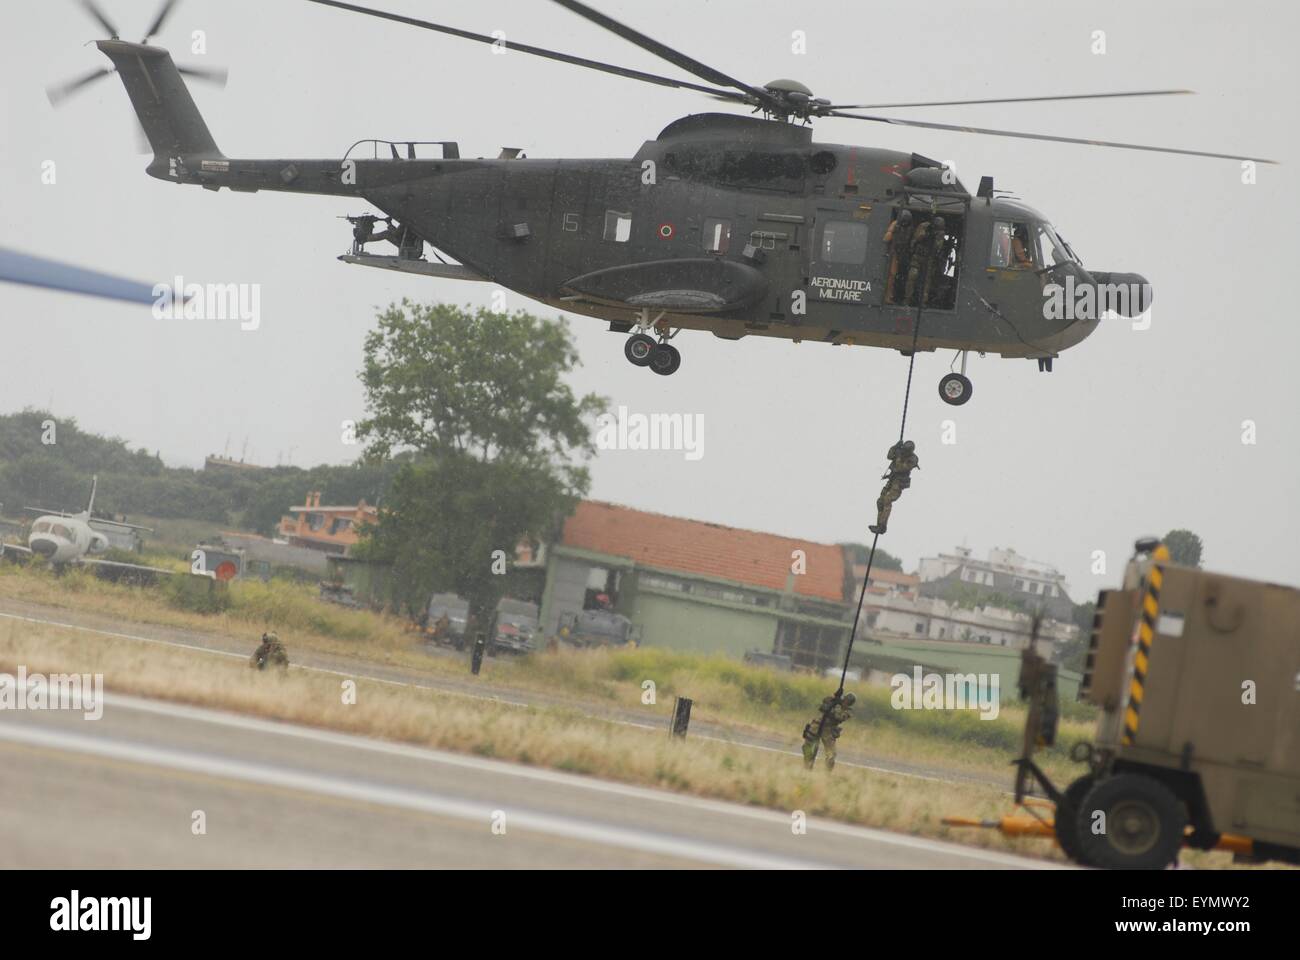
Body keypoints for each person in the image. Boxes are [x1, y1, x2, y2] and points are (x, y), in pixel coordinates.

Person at [869, 440, 920, 535]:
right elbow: (889, 456)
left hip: (899, 483)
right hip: (892, 480)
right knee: (880, 501)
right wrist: (895, 447)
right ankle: (879, 524)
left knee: (887, 500)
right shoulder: (900, 452)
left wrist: (899, 456)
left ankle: (882, 526)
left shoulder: (913, 459)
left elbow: (901, 467)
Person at [801, 691, 856, 770]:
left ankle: (827, 773)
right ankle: (807, 768)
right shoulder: (836, 702)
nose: (845, 702)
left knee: (831, 755)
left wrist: (837, 705)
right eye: (845, 700)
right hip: (817, 726)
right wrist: (834, 698)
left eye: (847, 702)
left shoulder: (848, 712)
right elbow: (824, 702)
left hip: (829, 730)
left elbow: (838, 716)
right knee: (809, 748)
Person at [882, 210, 914, 304]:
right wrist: (891, 231)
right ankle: (887, 296)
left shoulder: (909, 228)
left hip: (902, 253)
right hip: (894, 253)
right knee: (891, 275)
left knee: (895, 275)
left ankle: (890, 296)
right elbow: (886, 238)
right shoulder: (896, 224)